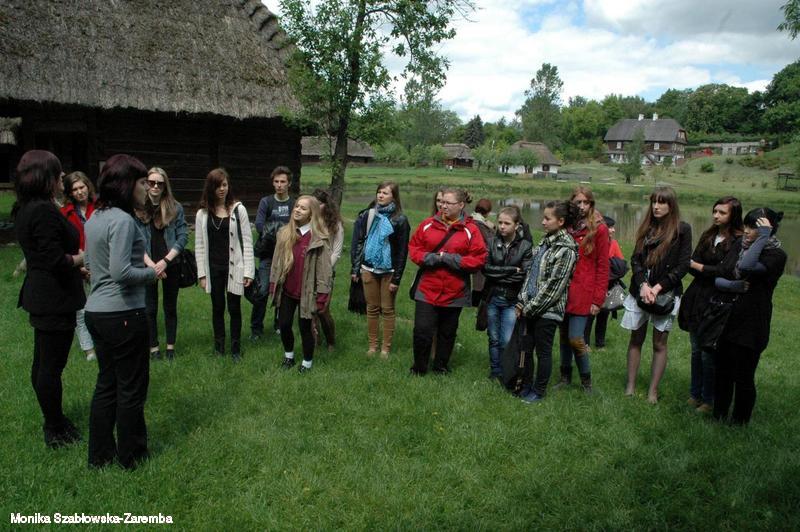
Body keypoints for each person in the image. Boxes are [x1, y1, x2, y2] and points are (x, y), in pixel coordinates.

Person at [84, 154, 157, 469]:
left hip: (96, 313)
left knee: (107, 383)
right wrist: (152, 273)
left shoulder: (95, 218)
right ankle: (133, 456)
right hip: (123, 313)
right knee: (131, 387)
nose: (147, 188)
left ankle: (100, 456)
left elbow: (91, 264)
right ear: (127, 185)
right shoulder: (124, 221)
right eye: (142, 182)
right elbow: (121, 272)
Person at [15, 150, 86, 449]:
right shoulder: (43, 211)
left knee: (43, 363)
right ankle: (54, 427)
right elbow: (54, 258)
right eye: (58, 173)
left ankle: (54, 418)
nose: (62, 177)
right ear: (45, 177)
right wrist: (80, 259)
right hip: (53, 296)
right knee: (50, 367)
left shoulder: (26, 207)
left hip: (44, 294)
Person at [712, 208, 786, 424]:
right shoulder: (739, 245)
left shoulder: (776, 255)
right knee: (723, 371)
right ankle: (718, 416)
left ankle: (739, 422)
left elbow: (747, 266)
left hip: (753, 323)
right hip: (728, 318)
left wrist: (763, 238)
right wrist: (731, 285)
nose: (746, 231)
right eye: (746, 225)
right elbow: (718, 277)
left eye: (753, 227)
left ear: (767, 229)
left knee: (743, 375)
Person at [622, 186, 691, 404]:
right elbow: (635, 259)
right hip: (640, 290)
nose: (656, 206)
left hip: (666, 293)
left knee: (659, 344)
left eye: (662, 202)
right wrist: (643, 285)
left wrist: (658, 287)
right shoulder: (647, 227)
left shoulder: (682, 230)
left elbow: (682, 266)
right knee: (636, 338)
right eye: (654, 202)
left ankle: (652, 391)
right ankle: (630, 386)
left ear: (671, 205)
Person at [408, 187, 487, 375]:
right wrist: (431, 258)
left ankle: (441, 367)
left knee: (447, 332)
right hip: (427, 289)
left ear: (461, 205)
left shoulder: (471, 230)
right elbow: (414, 248)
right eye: (442, 202)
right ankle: (419, 368)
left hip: (455, 292)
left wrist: (452, 260)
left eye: (448, 203)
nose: (443, 206)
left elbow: (478, 258)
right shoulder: (427, 225)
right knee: (422, 331)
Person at [678, 197, 743, 414]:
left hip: (717, 301)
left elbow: (726, 271)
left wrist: (700, 267)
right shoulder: (708, 235)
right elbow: (690, 264)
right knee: (696, 350)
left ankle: (709, 399)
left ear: (733, 215)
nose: (716, 216)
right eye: (715, 211)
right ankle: (694, 394)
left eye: (722, 212)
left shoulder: (738, 241)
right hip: (697, 297)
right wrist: (704, 268)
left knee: (708, 352)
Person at [516, 201, 579, 402]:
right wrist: (522, 301)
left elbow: (554, 287)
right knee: (526, 349)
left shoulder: (566, 250)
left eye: (547, 218)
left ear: (560, 221)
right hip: (529, 307)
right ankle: (526, 385)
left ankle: (539, 390)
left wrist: (530, 308)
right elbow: (531, 275)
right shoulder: (545, 242)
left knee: (543, 352)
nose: (543, 222)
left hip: (548, 311)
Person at [195, 168, 254, 361]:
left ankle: (236, 349)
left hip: (234, 267)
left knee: (234, 308)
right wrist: (202, 274)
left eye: (225, 185)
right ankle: (219, 347)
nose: (222, 189)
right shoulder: (202, 214)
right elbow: (199, 246)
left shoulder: (238, 210)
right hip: (213, 269)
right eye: (218, 186)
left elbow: (247, 242)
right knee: (217, 307)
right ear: (210, 188)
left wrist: (248, 272)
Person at [555, 186, 609, 393]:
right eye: (578, 202)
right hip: (563, 289)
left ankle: (587, 382)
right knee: (563, 337)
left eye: (586, 202)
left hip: (584, 291)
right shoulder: (566, 226)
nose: (582, 206)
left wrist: (598, 299)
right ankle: (565, 377)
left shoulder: (599, 229)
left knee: (576, 338)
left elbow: (603, 266)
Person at [270, 195, 333, 372]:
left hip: (307, 292)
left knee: (305, 328)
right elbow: (276, 262)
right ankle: (289, 356)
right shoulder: (284, 233)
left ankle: (307, 362)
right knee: (284, 324)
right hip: (287, 290)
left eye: (303, 208)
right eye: (297, 206)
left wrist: (322, 294)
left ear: (311, 214)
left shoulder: (319, 238)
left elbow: (324, 269)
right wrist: (273, 284)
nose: (297, 210)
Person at [350, 182, 411, 358]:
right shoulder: (368, 214)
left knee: (387, 309)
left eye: (385, 193)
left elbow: (402, 252)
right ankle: (372, 346)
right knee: (371, 308)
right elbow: (359, 241)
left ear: (394, 197)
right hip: (368, 267)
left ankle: (385, 348)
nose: (380, 195)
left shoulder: (400, 220)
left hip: (389, 270)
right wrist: (355, 268)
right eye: (379, 192)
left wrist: (396, 279)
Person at [135, 167, 188, 361]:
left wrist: (165, 261)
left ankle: (170, 347)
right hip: (147, 265)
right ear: (146, 184)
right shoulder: (138, 209)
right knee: (149, 308)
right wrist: (152, 265)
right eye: (151, 182)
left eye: (160, 183)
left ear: (165, 186)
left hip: (170, 263)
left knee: (170, 306)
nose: (155, 186)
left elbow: (182, 237)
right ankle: (153, 348)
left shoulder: (175, 208)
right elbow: (135, 241)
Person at [482, 205, 533, 379]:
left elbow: (524, 275)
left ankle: (507, 372)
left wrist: (499, 274)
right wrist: (511, 270)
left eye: (507, 223)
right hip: (493, 296)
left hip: (512, 299)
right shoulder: (491, 242)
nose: (502, 226)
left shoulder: (525, 246)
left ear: (517, 225)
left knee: (506, 339)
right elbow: (486, 269)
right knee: (493, 337)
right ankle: (495, 371)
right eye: (500, 222)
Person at [250, 167, 295, 340]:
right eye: (276, 181)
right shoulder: (266, 202)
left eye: (283, 181)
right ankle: (256, 328)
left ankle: (279, 324)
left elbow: (297, 227)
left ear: (289, 183)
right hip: (267, 253)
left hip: (288, 254)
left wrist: (274, 230)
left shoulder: (294, 204)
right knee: (262, 291)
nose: (279, 185)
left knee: (283, 292)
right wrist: (284, 232)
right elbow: (260, 226)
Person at [61, 171, 97, 361]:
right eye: (74, 189)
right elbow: (63, 245)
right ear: (70, 193)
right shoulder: (64, 214)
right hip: (76, 267)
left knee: (100, 308)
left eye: (82, 187)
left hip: (101, 266)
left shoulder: (100, 208)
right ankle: (89, 349)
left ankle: (103, 341)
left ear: (88, 187)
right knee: (81, 311)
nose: (79, 192)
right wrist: (81, 266)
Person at [584, 215, 627, 349]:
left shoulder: (613, 244)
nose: (613, 230)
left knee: (603, 315)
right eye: (610, 227)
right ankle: (585, 343)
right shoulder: (592, 242)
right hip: (592, 285)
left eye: (613, 227)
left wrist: (610, 266)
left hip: (608, 285)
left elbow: (622, 266)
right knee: (589, 316)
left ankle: (600, 344)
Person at [311, 188, 344, 350]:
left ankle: (331, 341)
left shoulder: (335, 224)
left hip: (327, 271)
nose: (316, 207)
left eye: (320, 204)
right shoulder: (307, 220)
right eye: (314, 203)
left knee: (322, 310)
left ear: (326, 205)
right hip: (309, 271)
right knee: (310, 310)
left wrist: (325, 268)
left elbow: (336, 252)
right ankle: (314, 342)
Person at [471, 198, 495, 305]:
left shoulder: (473, 219)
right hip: (481, 254)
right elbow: (491, 239)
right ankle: (476, 301)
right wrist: (493, 228)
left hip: (476, 252)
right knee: (480, 281)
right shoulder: (480, 223)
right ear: (488, 211)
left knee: (478, 280)